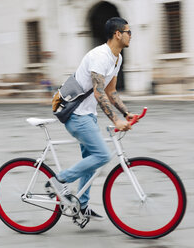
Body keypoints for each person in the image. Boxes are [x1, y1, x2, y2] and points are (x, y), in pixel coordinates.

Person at [47, 17, 134, 221]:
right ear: (117, 34)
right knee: (103, 156)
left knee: (91, 161)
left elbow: (111, 92)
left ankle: (82, 206)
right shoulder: (100, 56)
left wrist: (125, 113)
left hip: (89, 116)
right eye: (128, 32)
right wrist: (115, 121)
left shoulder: (117, 58)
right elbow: (99, 93)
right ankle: (59, 181)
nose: (131, 35)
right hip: (76, 115)